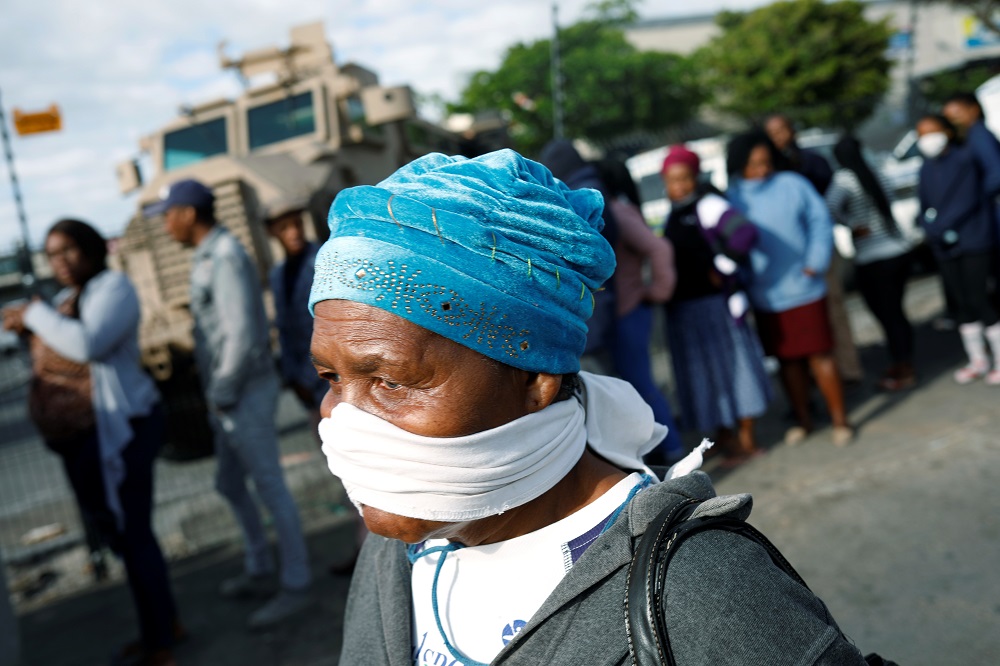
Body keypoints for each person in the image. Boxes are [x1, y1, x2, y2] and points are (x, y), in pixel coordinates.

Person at [310, 149, 871, 665]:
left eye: (389, 380)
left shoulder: (701, 592)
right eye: (330, 378)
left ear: (535, 377)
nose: (342, 418)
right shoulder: (395, 555)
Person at [2, 220, 180, 666]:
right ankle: (161, 624)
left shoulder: (113, 288)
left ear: (93, 249)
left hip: (127, 426)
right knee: (121, 534)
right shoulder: (70, 299)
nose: (59, 262)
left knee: (133, 533)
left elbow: (88, 345)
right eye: (51, 254)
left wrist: (33, 314)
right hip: (90, 436)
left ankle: (161, 640)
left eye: (68, 251)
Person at [151, 180, 313, 629]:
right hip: (228, 394)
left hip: (241, 392)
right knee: (229, 483)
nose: (165, 223)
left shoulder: (224, 257)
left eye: (168, 213)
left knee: (269, 486)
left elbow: (241, 335)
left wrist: (221, 393)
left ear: (188, 213)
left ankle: (296, 583)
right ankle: (260, 565)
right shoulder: (209, 255)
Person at [726, 132, 854, 447]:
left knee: (821, 355)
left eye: (766, 162)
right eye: (753, 164)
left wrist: (816, 260)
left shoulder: (793, 185)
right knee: (788, 362)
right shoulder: (733, 196)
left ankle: (840, 420)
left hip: (805, 286)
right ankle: (804, 420)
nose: (761, 170)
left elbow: (820, 221)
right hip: (766, 295)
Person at [265, 199, 366, 573]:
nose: (292, 233)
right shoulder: (279, 274)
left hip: (333, 381)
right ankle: (363, 547)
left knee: (360, 464)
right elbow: (286, 332)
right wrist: (294, 378)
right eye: (284, 227)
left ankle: (372, 552)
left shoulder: (322, 259)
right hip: (307, 387)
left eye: (296, 224)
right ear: (271, 232)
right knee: (342, 471)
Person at [659, 145, 773, 467]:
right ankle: (725, 437)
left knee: (736, 371)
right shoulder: (673, 213)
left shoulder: (708, 205)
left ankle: (747, 439)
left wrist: (722, 267)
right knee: (707, 376)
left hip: (714, 307)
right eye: (671, 181)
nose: (677, 187)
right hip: (685, 309)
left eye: (683, 179)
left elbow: (744, 234)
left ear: (695, 178)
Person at [592, 157, 684, 464]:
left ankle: (672, 450)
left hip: (629, 312)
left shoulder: (615, 211)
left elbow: (659, 248)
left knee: (641, 387)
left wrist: (658, 291)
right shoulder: (617, 208)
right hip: (628, 311)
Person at [766, 114, 864, 385]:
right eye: (771, 132)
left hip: (818, 252)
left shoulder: (811, 162)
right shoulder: (768, 171)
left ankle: (848, 369)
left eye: (781, 130)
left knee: (833, 308)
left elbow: (824, 211)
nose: (778, 137)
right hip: (787, 261)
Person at [826, 136, 916, 391]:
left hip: (873, 256)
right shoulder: (877, 172)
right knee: (896, 313)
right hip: (898, 248)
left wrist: (851, 225)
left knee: (887, 315)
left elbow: (828, 209)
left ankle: (904, 366)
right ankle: (904, 361)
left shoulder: (844, 179)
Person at [915, 115, 1000, 384]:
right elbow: (924, 204)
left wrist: (939, 225)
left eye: (932, 131)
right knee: (962, 305)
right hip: (944, 246)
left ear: (947, 132)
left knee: (980, 298)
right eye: (921, 134)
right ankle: (978, 360)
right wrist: (926, 225)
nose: (927, 139)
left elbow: (967, 200)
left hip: (973, 239)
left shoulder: (965, 160)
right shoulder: (925, 168)